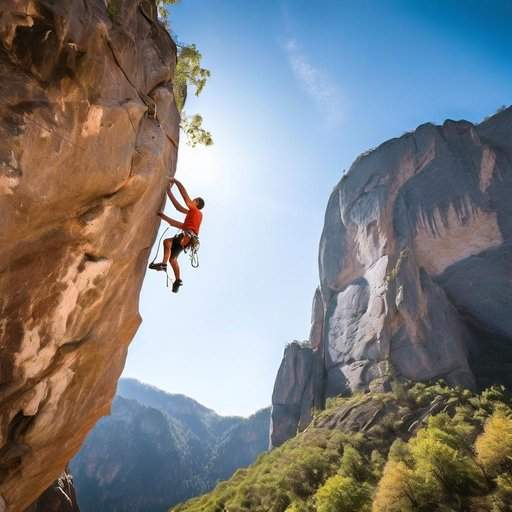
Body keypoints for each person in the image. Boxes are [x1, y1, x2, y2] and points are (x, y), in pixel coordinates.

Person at [149, 178, 204, 293]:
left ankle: (163, 266)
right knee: (172, 257)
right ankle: (177, 280)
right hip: (188, 238)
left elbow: (185, 198)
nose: (192, 201)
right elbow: (177, 211)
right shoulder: (192, 217)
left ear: (197, 203)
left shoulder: (196, 212)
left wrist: (176, 181)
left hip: (188, 236)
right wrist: (168, 191)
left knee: (167, 243)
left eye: (194, 200)